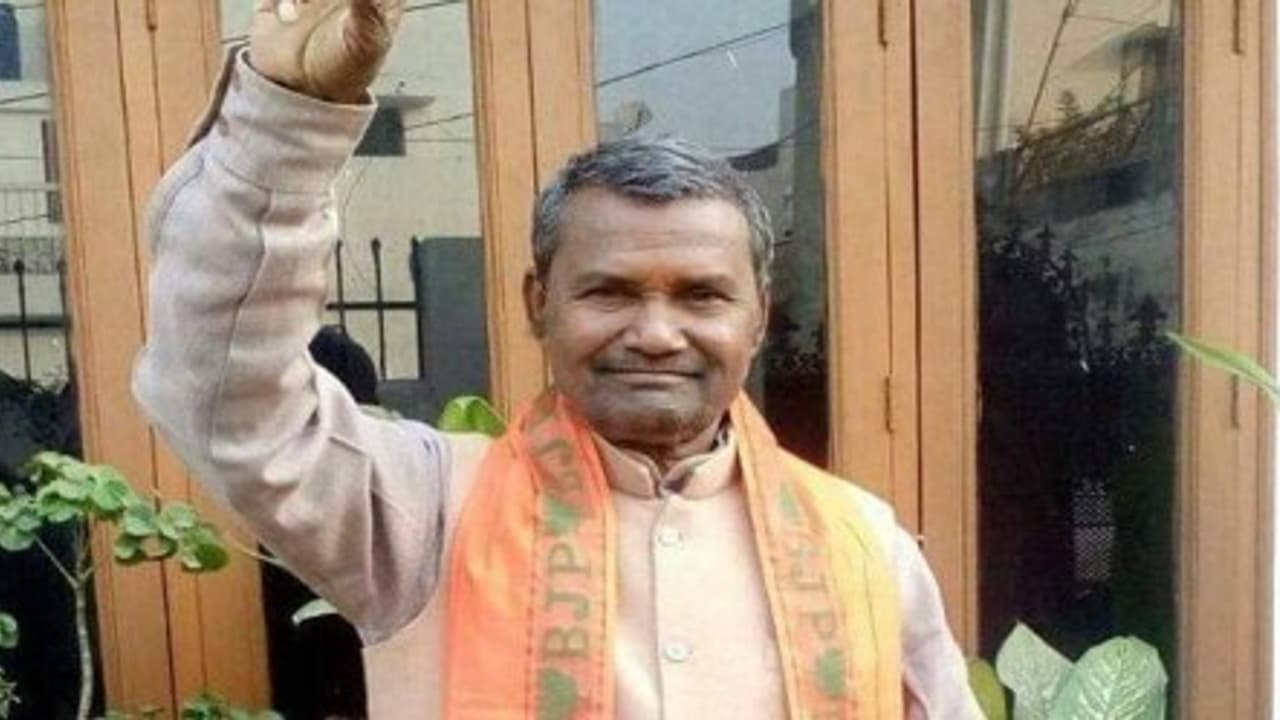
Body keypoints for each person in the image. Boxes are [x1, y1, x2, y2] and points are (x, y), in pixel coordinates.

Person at [133, 1, 981, 717]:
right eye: (610, 292)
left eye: (700, 296)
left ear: (757, 317)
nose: (657, 333)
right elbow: (227, 392)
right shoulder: (424, 513)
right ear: (539, 304)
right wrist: (287, 120)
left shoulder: (862, 541)